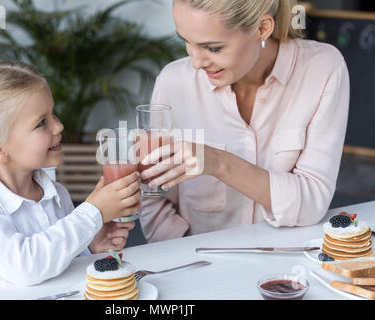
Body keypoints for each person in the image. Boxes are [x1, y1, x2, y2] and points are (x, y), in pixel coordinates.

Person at [138, 0, 350, 242]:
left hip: (286, 268)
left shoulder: (322, 69)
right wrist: (185, 260)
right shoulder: (173, 83)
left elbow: (312, 202)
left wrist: (217, 162)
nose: (196, 62)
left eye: (213, 48)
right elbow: (153, 198)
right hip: (196, 267)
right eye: (186, 41)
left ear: (262, 28)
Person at [0, 60, 141, 286]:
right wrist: (93, 213)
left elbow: (56, 265)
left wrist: (91, 245)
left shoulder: (55, 193)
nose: (59, 126)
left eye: (53, 114)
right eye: (41, 122)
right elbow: (25, 267)